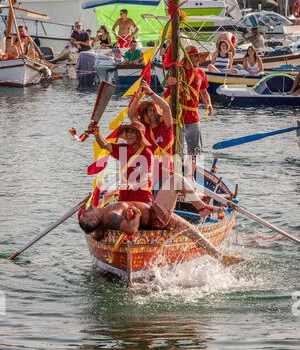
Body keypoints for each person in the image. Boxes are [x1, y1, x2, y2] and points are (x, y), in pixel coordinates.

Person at [78, 172, 241, 266]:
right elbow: (131, 229)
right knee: (176, 179)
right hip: (156, 216)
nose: (86, 211)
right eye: (86, 215)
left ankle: (220, 257)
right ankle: (201, 208)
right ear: (94, 219)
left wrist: (88, 222)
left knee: (190, 231)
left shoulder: (98, 227)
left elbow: (96, 235)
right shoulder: (112, 213)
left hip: (154, 218)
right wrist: (138, 215)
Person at [166, 45, 213, 179]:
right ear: (188, 57)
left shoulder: (201, 73)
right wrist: (170, 83)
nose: (198, 58)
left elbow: (204, 91)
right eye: (195, 56)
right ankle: (176, 175)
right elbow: (168, 91)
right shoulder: (177, 71)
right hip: (178, 114)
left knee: (194, 150)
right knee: (177, 148)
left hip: (193, 116)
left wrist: (209, 104)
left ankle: (190, 177)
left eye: (199, 56)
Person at [88, 120, 154, 204]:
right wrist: (97, 133)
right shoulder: (123, 149)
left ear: (139, 136)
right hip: (124, 199)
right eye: (127, 132)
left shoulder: (147, 154)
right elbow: (104, 145)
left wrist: (131, 184)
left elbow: (147, 176)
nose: (128, 135)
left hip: (142, 199)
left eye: (132, 132)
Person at [128, 80, 174, 186]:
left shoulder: (166, 125)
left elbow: (166, 109)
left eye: (153, 109)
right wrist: (137, 99)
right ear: (143, 117)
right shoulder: (144, 128)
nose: (152, 112)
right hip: (149, 173)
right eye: (147, 111)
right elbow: (131, 115)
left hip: (166, 173)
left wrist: (151, 93)